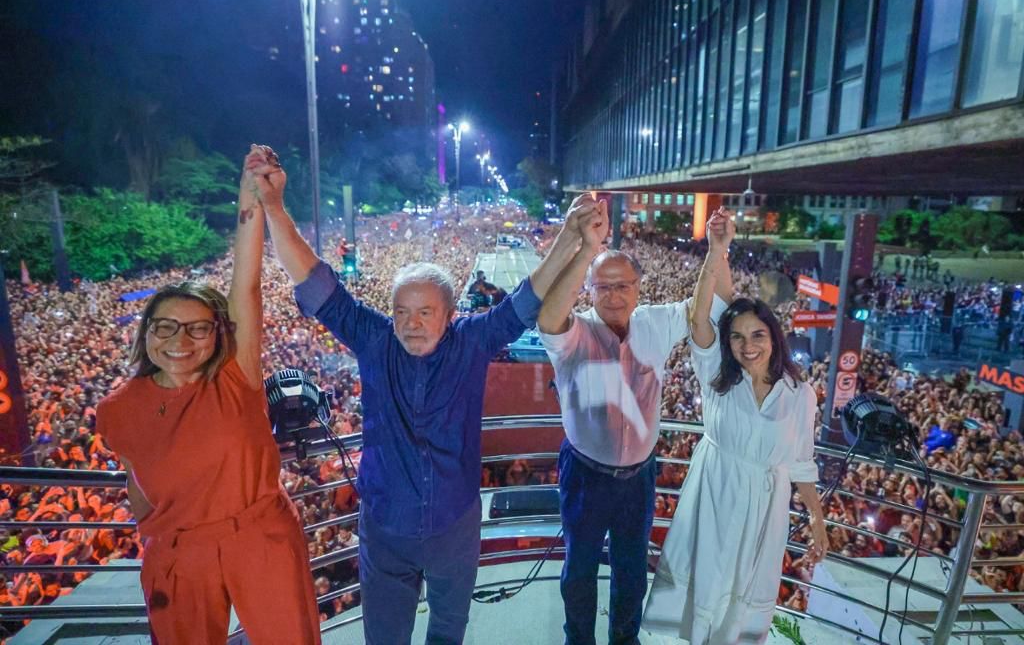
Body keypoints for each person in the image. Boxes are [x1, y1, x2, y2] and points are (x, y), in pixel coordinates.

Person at [256, 164, 599, 644]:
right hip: (385, 526)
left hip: (454, 526)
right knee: (385, 637)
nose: (411, 324)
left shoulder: (473, 341)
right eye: (401, 312)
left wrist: (569, 237)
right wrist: (273, 205)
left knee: (447, 632)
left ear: (451, 315)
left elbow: (526, 300)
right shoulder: (374, 339)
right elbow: (314, 282)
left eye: (424, 312)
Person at [96, 146, 321, 644]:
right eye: (166, 327)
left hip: (259, 533)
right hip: (177, 549)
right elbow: (138, 480)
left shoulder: (236, 378)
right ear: (146, 333)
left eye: (198, 329)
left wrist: (252, 195)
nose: (180, 341)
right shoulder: (115, 410)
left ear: (220, 334)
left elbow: (249, 285)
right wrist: (159, 537)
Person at [536, 201, 732, 645]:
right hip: (585, 473)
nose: (613, 295)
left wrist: (716, 252)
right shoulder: (575, 335)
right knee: (579, 569)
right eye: (602, 287)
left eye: (623, 285)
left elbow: (704, 308)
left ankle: (624, 640)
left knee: (631, 571)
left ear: (640, 288)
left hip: (639, 477)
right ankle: (578, 640)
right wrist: (587, 249)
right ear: (587, 290)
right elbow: (548, 315)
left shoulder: (655, 324)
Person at [642, 211, 827, 644]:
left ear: (774, 336)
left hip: (766, 508)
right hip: (716, 491)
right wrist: (717, 252)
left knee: (744, 591)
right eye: (739, 337)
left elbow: (801, 463)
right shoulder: (718, 377)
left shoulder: (799, 395)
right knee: (705, 579)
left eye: (758, 335)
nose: (748, 346)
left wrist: (818, 520)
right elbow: (702, 316)